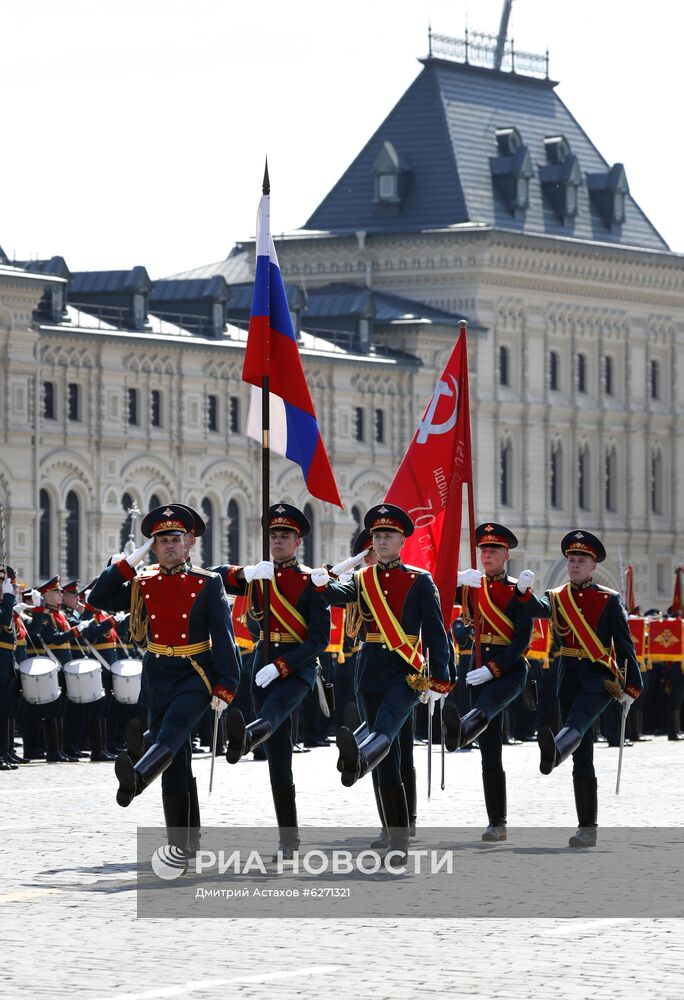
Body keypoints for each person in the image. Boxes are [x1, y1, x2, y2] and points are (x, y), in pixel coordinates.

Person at [88, 503, 239, 858]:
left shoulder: (207, 582)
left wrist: (227, 685)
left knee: (170, 736)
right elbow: (98, 598)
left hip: (195, 674)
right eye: (161, 540)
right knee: (177, 762)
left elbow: (225, 635)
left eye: (175, 538)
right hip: (158, 675)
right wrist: (127, 563)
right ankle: (183, 843)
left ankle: (137, 778)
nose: (169, 545)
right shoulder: (143, 583)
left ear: (189, 543)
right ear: (153, 547)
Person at [310, 503, 451, 856]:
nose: (382, 540)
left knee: (384, 734)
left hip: (405, 673)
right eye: (377, 535)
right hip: (369, 670)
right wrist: (323, 582)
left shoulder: (419, 580)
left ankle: (361, 765)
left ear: (402, 539)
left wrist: (440, 679)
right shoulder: (362, 578)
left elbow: (436, 633)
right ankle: (392, 831)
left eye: (388, 534)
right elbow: (338, 596)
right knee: (385, 757)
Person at [215, 502, 331, 858]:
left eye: (285, 535)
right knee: (279, 758)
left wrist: (282, 666)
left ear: (298, 541)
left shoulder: (310, 580)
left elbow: (319, 639)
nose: (277, 541)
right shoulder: (260, 575)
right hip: (261, 665)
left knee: (276, 713)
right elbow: (213, 576)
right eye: (273, 535)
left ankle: (245, 737)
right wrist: (247, 573)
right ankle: (289, 839)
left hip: (297, 668)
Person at [518, 530, 642, 848]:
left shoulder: (608, 600)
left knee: (578, 721)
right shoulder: (557, 596)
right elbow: (536, 609)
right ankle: (587, 827)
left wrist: (632, 686)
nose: (574, 564)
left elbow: (625, 646)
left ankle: (555, 751)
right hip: (568, 677)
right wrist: (520, 592)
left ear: (593, 565)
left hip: (600, 679)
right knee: (583, 757)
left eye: (581, 560)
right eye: (571, 559)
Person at [441, 523, 534, 842]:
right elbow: (430, 586)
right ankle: (497, 821)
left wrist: (494, 669)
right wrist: (455, 578)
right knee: (490, 751)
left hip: (507, 670)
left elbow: (523, 638)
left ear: (507, 555)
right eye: (483, 549)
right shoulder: (469, 586)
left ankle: (461, 731)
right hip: (475, 667)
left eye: (494, 550)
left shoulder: (516, 590)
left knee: (487, 707)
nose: (488, 554)